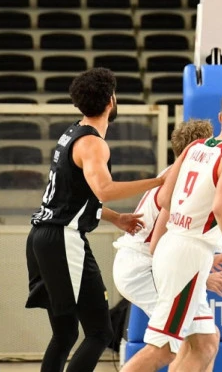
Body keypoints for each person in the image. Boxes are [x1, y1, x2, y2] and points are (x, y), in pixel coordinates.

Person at [25, 67, 162, 372]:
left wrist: (115, 218)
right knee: (100, 332)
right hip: (63, 238)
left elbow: (71, 197)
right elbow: (105, 189)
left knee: (65, 333)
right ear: (111, 100)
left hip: (44, 236)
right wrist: (159, 181)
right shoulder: (93, 143)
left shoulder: (72, 132)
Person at [121, 87, 222, 372]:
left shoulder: (195, 148)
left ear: (221, 117)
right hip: (187, 254)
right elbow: (221, 207)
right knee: (162, 349)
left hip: (172, 244)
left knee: (205, 343)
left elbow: (164, 199)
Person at [112, 119, 222, 371]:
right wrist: (201, 276)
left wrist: (203, 263)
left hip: (150, 262)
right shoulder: (182, 179)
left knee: (205, 341)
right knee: (168, 346)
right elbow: (157, 245)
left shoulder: (180, 172)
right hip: (145, 266)